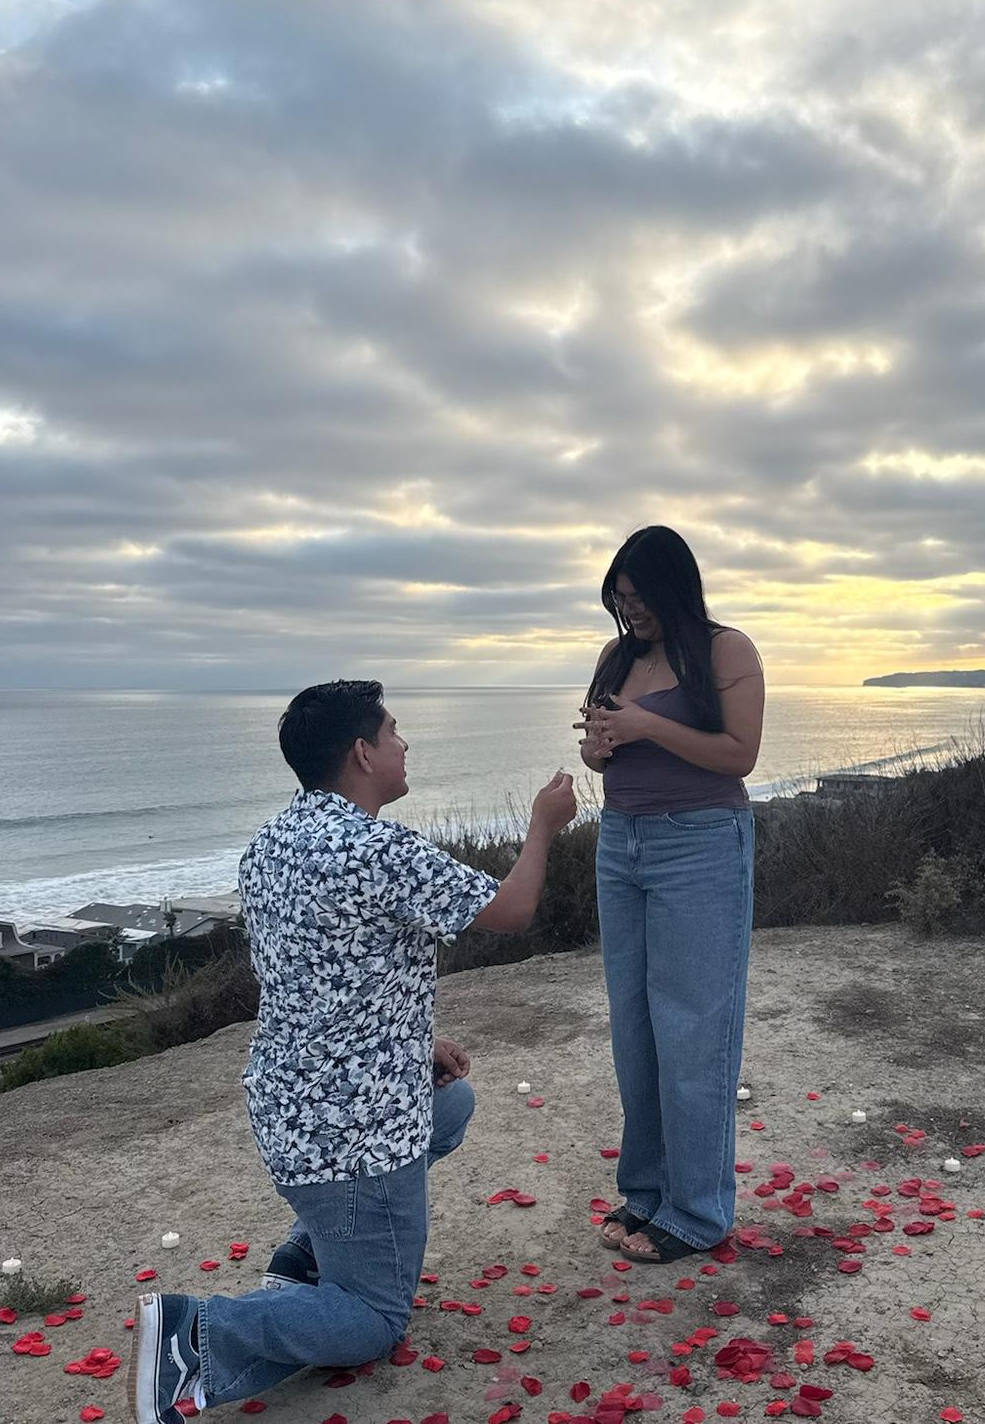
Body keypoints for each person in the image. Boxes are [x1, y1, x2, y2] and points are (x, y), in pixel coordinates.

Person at [127, 680, 576, 1424]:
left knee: (451, 1103)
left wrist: (412, 1041)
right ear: (363, 753)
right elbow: (514, 910)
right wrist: (543, 825)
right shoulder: (377, 847)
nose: (405, 746)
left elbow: (315, 973)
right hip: (352, 1135)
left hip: (291, 1107)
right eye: (395, 733)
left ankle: (307, 1258)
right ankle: (194, 1336)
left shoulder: (271, 842)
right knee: (372, 1320)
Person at [574, 526, 765, 1263]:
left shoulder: (726, 651)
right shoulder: (614, 656)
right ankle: (648, 1191)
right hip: (622, 841)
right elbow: (600, 750)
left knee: (694, 1027)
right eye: (619, 601)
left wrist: (645, 723)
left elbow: (739, 754)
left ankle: (698, 1209)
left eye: (640, 597)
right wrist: (598, 748)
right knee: (636, 1025)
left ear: (673, 587)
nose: (631, 613)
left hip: (701, 842)